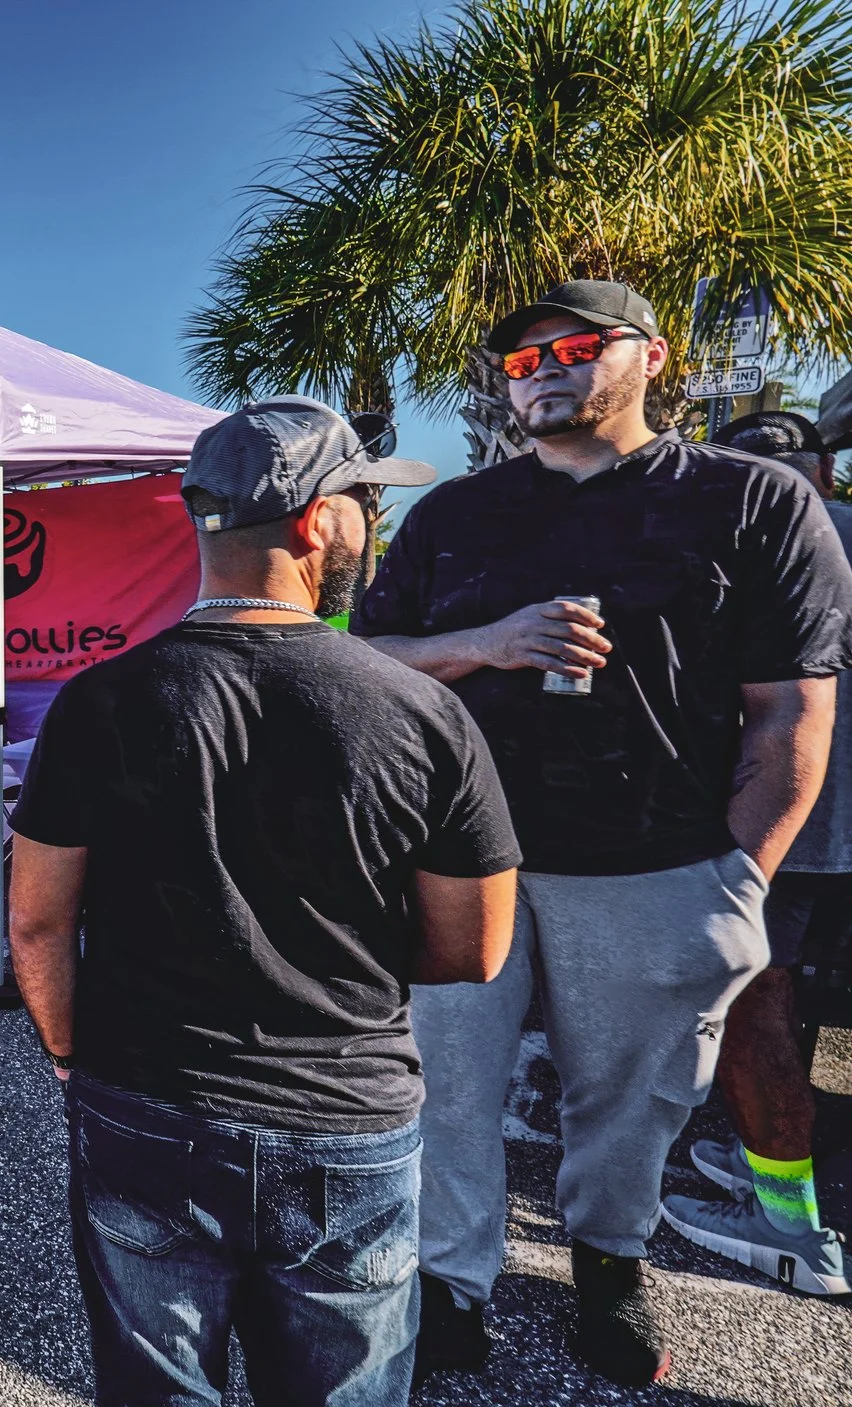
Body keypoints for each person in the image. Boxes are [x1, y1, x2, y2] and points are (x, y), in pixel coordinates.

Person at [353, 281, 852, 1385]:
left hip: (660, 861)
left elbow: (791, 709)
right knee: (445, 1085)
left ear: (652, 357)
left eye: (576, 347)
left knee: (633, 1097)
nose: (545, 372)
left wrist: (741, 875)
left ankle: (609, 1266)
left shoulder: (750, 499)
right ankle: (451, 1279)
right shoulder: (455, 515)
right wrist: (488, 640)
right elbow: (371, 658)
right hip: (460, 857)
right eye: (523, 361)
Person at [9, 396, 518, 1406]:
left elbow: (36, 922)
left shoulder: (100, 701)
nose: (371, 523)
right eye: (365, 502)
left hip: (145, 1101)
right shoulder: (423, 712)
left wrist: (70, 1051)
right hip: (347, 1115)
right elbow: (473, 949)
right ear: (317, 521)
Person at [652, 411, 852, 1296]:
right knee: (789, 1001)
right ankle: (767, 1158)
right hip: (831, 828)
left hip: (783, 826)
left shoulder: (748, 540)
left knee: (748, 1004)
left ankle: (789, 1224)